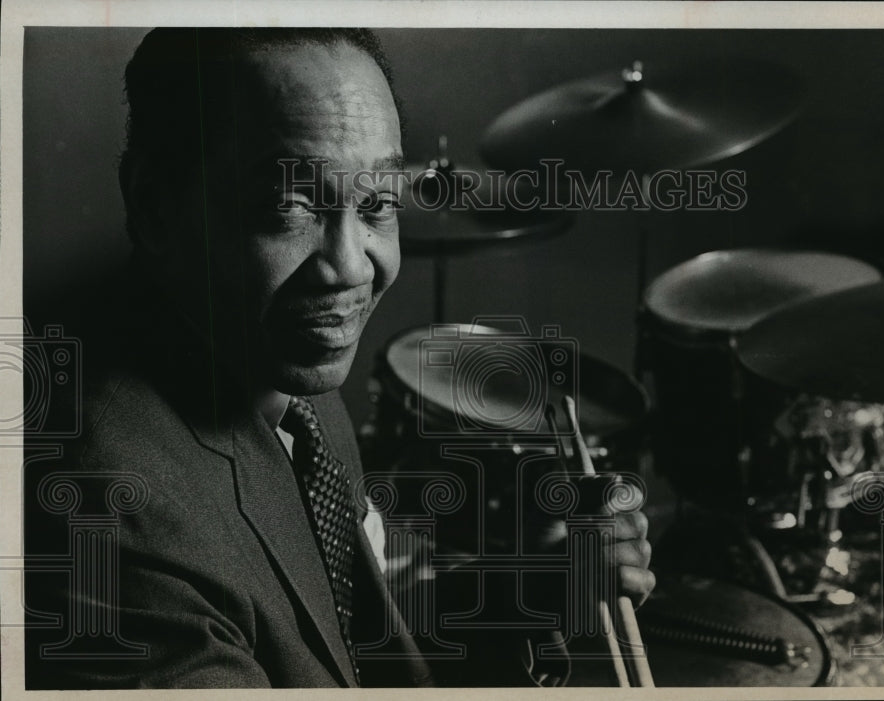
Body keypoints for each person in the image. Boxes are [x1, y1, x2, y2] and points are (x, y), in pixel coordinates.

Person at [24, 27, 654, 688]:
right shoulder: (115, 528)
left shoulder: (279, 362)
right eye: (287, 205)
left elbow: (344, 641)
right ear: (155, 205)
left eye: (378, 204)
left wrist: (534, 595)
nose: (351, 268)